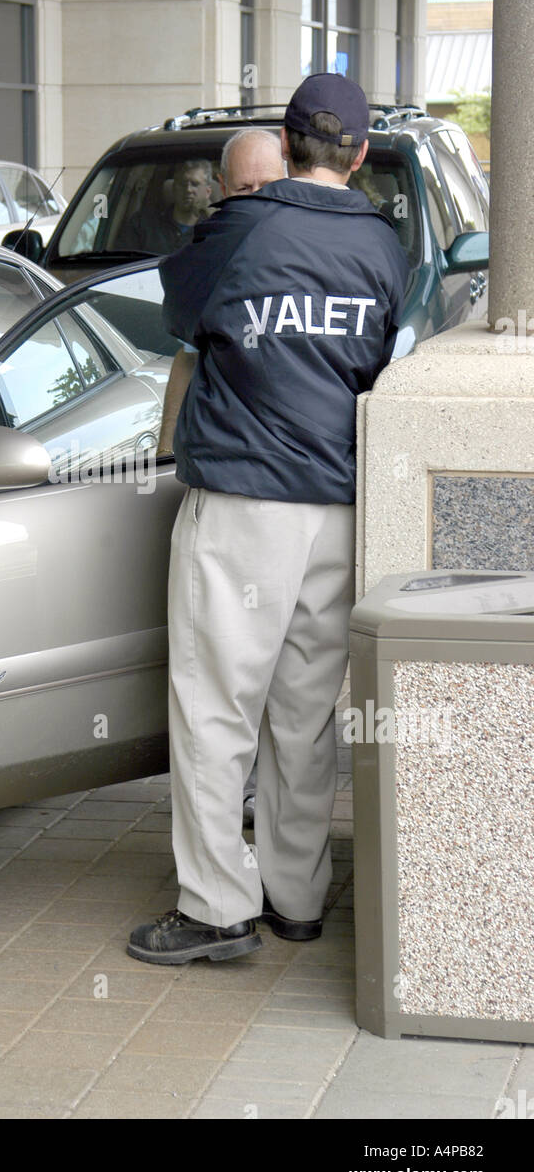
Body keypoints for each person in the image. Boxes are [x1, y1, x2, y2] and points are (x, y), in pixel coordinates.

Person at [127, 74, 409, 965]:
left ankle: (216, 908)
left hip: (245, 505)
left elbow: (178, 319)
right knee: (305, 715)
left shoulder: (240, 230)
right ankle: (296, 896)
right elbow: (375, 361)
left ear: (284, 147)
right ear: (360, 154)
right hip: (336, 509)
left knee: (216, 711)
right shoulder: (383, 246)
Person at [157, 129, 286, 456]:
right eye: (245, 188)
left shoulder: (319, 251)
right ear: (223, 187)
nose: (257, 198)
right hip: (227, 457)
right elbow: (188, 357)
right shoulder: (205, 260)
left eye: (268, 187)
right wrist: (164, 453)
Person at [118, 159, 214, 255]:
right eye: (182, 183)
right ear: (173, 188)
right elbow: (122, 263)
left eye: (195, 184)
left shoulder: (214, 232)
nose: (188, 189)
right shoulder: (142, 224)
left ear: (208, 192)